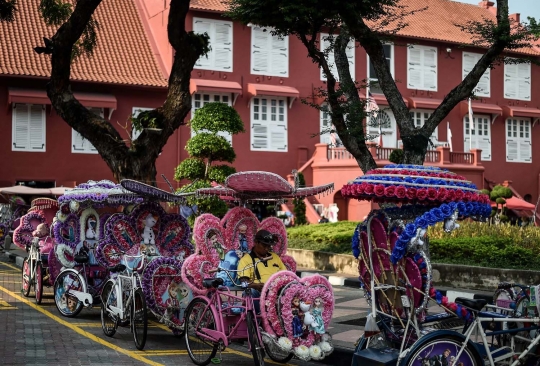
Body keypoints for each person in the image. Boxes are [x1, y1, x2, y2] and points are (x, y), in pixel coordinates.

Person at [237, 229, 287, 312]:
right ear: (256, 242)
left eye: (269, 246)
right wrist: (256, 286)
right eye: (264, 245)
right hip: (259, 293)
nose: (267, 248)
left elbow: (285, 275)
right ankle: (257, 321)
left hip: (276, 292)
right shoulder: (246, 260)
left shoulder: (275, 257)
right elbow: (243, 283)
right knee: (250, 292)